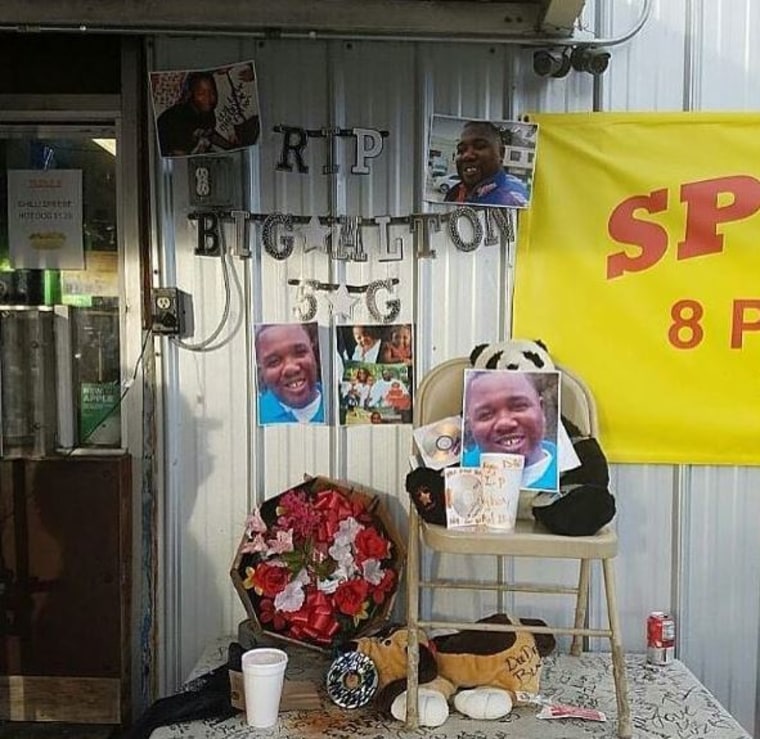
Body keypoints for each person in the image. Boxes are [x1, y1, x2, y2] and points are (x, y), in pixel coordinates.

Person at [462, 370, 558, 491]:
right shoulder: (460, 471)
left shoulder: (569, 476)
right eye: (485, 415)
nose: (505, 424)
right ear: (470, 424)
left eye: (519, 407)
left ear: (541, 409)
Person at [443, 121, 529, 208]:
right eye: (461, 150)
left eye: (480, 146)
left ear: (501, 153)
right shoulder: (456, 192)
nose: (467, 156)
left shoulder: (509, 203)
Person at [255, 323, 324, 425]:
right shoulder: (254, 415)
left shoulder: (338, 400)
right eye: (274, 361)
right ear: (261, 369)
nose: (291, 368)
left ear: (312, 351)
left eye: (300, 352)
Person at [156, 71, 238, 157]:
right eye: (201, 94)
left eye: (212, 93)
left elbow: (210, 134)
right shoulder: (177, 118)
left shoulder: (206, 110)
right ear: (190, 94)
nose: (208, 98)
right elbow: (179, 157)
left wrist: (232, 148)